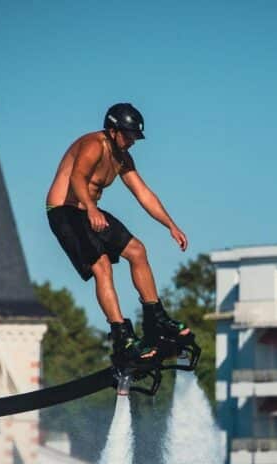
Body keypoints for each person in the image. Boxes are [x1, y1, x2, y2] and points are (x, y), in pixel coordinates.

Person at [46, 102, 191, 364]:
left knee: (137, 251)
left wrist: (171, 225)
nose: (132, 141)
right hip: (64, 212)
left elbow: (143, 193)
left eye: (136, 136)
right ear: (113, 130)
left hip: (90, 212)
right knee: (102, 266)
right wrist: (90, 208)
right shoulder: (94, 144)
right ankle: (122, 336)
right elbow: (77, 178)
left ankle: (155, 321)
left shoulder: (123, 157)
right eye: (128, 135)